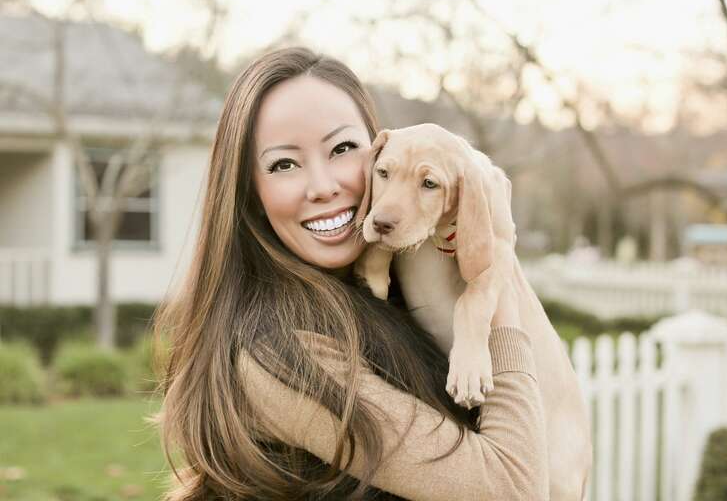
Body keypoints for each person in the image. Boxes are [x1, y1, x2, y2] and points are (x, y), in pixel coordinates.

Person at [152, 46, 549, 500]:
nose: (323, 187)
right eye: (284, 164)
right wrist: (497, 271)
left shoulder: (393, 281)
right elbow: (515, 489)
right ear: (249, 192)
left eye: (342, 149)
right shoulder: (281, 354)